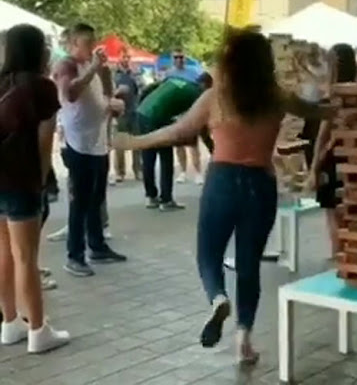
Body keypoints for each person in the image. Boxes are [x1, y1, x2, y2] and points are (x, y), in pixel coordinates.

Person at [114, 28, 333, 364]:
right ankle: (244, 339)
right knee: (249, 264)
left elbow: (178, 131)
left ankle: (218, 298)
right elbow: (317, 111)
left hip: (222, 181)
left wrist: (133, 142)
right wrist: (345, 99)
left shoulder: (215, 98)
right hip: (260, 185)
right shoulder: (276, 96)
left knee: (208, 253)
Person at [0, 24, 70, 352]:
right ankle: (38, 330)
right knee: (26, 256)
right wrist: (40, 183)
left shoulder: (2, 82)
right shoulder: (41, 88)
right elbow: (45, 141)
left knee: (4, 252)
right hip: (21, 179)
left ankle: (9, 322)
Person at [54, 23, 127, 277]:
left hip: (97, 142)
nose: (92, 48)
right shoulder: (67, 65)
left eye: (93, 43)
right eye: (87, 43)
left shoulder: (94, 67)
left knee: (97, 199)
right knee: (80, 203)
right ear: (74, 43)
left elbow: (103, 96)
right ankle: (74, 255)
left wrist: (112, 103)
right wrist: (94, 68)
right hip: (78, 144)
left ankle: (97, 246)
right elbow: (70, 94)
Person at [308, 43, 357, 257]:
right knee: (350, 213)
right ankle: (349, 256)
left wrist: (314, 168)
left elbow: (322, 136)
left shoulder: (333, 96)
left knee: (333, 214)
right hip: (355, 158)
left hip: (333, 160)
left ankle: (339, 256)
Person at [136, 75, 201, 209]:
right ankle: (166, 199)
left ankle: (151, 196)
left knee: (148, 157)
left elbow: (151, 87)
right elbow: (194, 122)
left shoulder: (176, 79)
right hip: (159, 117)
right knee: (166, 158)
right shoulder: (197, 94)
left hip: (143, 112)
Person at [167, 50, 203, 183]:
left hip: (190, 109)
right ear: (172, 59)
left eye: (181, 57)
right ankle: (183, 171)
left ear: (185, 58)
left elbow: (200, 89)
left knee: (193, 143)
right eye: (176, 57)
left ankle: (198, 172)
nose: (179, 60)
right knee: (178, 143)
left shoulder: (193, 73)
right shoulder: (169, 74)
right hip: (175, 110)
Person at [113, 52, 141, 182]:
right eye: (123, 57)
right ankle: (120, 172)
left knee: (136, 142)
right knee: (120, 142)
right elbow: (107, 92)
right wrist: (118, 91)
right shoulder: (114, 74)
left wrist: (136, 77)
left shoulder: (135, 72)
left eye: (127, 57)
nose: (125, 59)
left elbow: (141, 89)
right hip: (120, 112)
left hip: (134, 110)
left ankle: (138, 170)